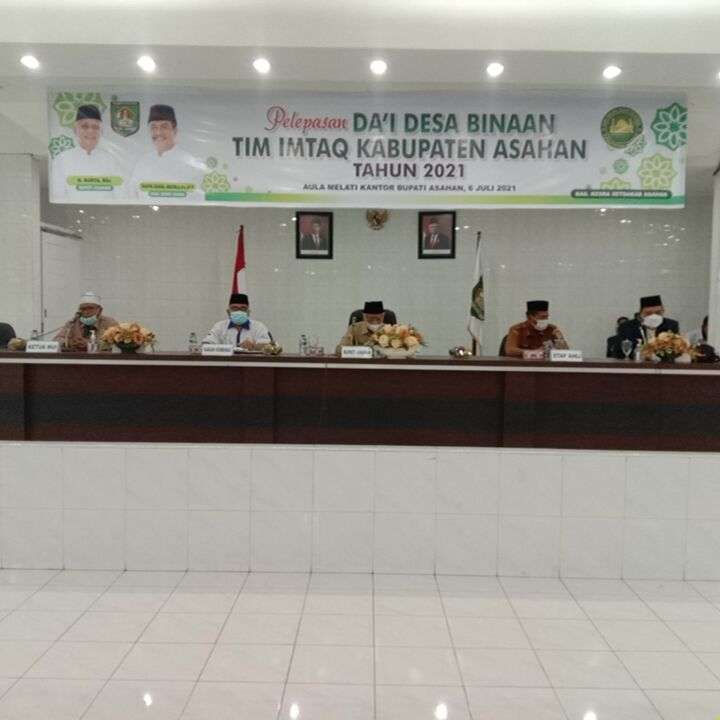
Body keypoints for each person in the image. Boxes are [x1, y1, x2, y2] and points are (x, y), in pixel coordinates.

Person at [129, 104, 205, 202]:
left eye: (164, 127)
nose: (158, 132)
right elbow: (132, 194)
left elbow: (197, 199)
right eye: (154, 127)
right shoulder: (143, 161)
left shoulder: (190, 163)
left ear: (175, 131)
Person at [52, 105, 125, 201]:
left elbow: (121, 194)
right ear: (75, 130)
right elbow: (58, 195)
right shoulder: (62, 159)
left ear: (101, 131)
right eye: (85, 126)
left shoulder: (111, 160)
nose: (90, 131)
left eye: (95, 127)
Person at [613, 294, 679, 358]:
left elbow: (676, 349)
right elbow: (618, 352)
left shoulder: (671, 325)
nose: (653, 316)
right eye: (648, 313)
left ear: (663, 311)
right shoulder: (626, 326)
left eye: (658, 313)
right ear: (641, 313)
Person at [203, 293, 271, 349]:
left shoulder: (259, 327)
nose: (239, 311)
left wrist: (254, 345)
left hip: (251, 361)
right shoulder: (220, 326)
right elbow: (206, 344)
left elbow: (269, 346)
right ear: (228, 312)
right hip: (225, 361)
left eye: (243, 308)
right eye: (234, 308)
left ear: (248, 312)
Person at [503, 300, 569, 357]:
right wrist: (533, 352)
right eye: (542, 317)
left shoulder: (552, 329)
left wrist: (560, 339)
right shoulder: (517, 329)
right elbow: (509, 350)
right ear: (530, 317)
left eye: (547, 317)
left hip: (546, 365)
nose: (545, 320)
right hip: (523, 365)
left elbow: (566, 352)